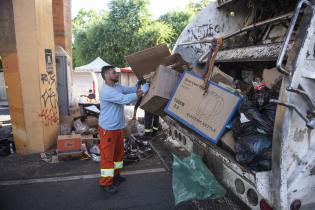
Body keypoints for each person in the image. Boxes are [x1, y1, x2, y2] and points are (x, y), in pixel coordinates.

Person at [98, 65, 144, 194]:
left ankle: (116, 175)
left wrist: (138, 86)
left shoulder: (117, 87)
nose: (116, 74)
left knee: (118, 154)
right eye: (113, 73)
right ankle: (106, 182)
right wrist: (141, 92)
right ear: (106, 75)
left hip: (118, 127)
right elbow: (124, 99)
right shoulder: (107, 91)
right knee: (108, 157)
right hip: (108, 128)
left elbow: (129, 90)